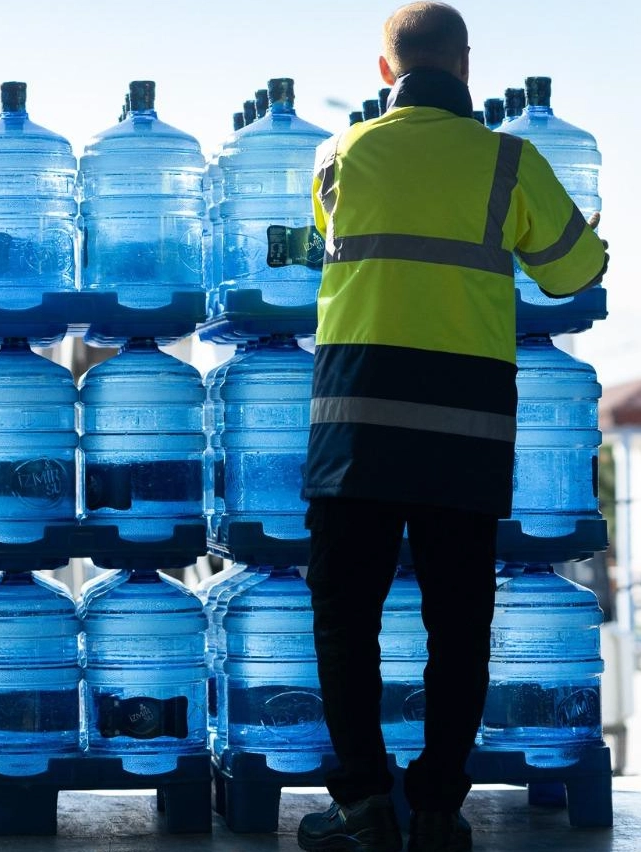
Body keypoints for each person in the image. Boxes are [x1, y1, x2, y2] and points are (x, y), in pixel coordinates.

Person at [296, 4, 609, 852]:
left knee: (344, 620)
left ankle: (362, 809)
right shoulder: (508, 160)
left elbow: (328, 242)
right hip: (461, 428)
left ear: (383, 71)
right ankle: (437, 810)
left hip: (354, 424)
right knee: (457, 622)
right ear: (465, 66)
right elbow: (577, 270)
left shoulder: (335, 157)